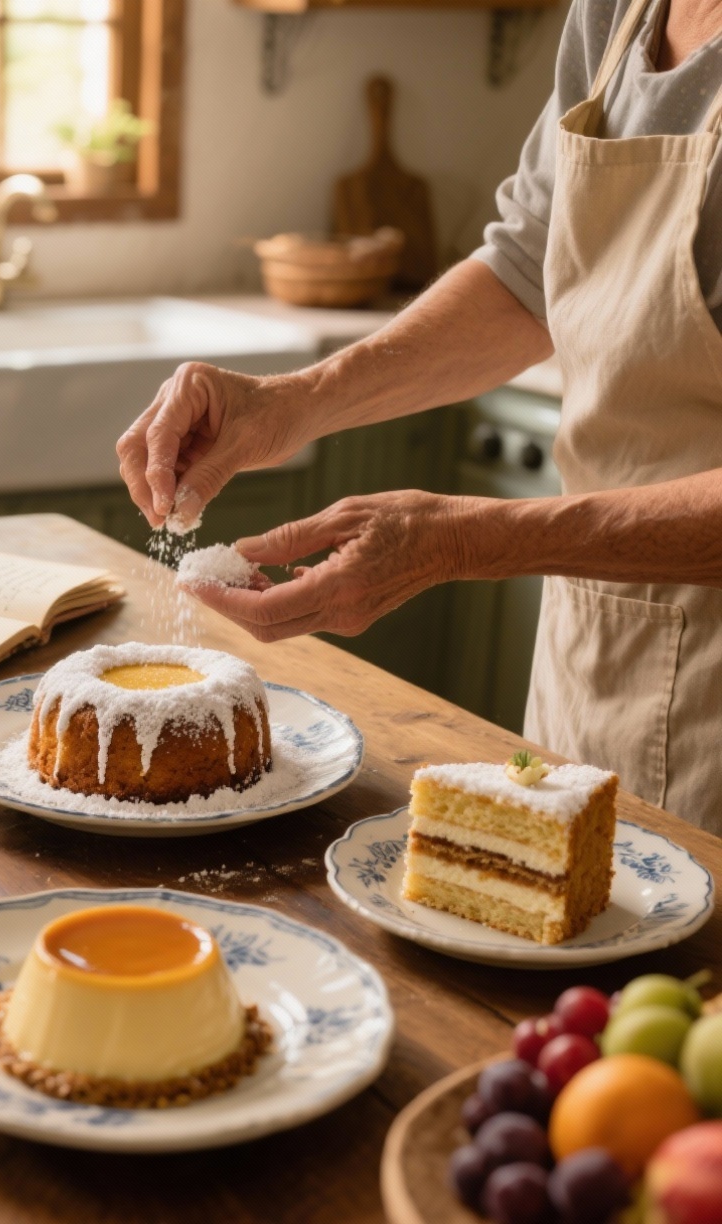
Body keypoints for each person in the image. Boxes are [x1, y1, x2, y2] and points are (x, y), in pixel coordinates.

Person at [116, 0, 722, 831]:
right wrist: (292, 402)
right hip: (597, 646)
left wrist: (472, 539)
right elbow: (526, 271)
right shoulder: (617, 14)